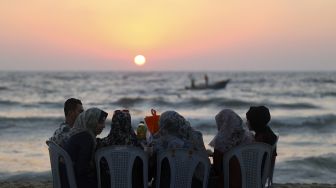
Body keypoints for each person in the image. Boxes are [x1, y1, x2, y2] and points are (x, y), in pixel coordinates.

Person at [151, 111, 207, 188]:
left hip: (166, 184)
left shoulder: (160, 142)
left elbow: (153, 171)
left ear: (162, 125)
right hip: (193, 184)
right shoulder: (195, 138)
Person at [96, 109, 143, 188]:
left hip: (108, 185)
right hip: (133, 184)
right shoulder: (137, 146)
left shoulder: (102, 145)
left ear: (113, 123)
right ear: (129, 123)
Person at [64, 107, 108, 188]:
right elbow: (82, 169)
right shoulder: (86, 139)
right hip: (75, 182)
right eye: (101, 122)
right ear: (92, 121)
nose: (104, 126)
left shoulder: (79, 133)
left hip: (67, 178)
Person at [209, 109, 254, 188]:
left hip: (229, 181)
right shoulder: (249, 136)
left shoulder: (221, 141)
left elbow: (217, 168)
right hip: (250, 178)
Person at [246, 105, 277, 177]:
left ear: (254, 122)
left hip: (256, 174)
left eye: (248, 120)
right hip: (265, 172)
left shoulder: (260, 140)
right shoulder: (268, 133)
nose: (247, 122)